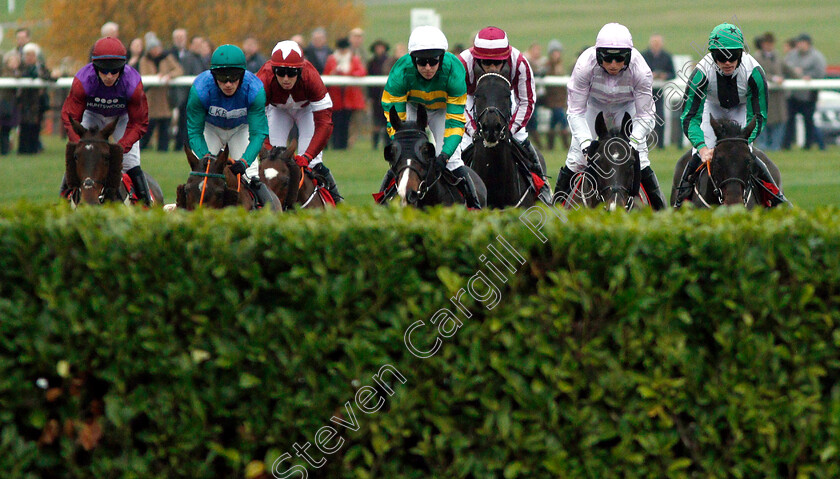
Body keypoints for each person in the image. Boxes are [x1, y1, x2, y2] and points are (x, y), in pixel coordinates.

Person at [553, 23, 666, 210]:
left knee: (641, 159)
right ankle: (553, 211)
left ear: (628, 57)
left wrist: (633, 142)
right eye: (608, 59)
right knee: (575, 159)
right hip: (593, 106)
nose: (613, 65)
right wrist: (585, 145)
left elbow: (646, 114)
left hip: (627, 106)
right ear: (598, 56)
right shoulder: (584, 66)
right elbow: (575, 112)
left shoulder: (641, 71)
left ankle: (661, 215)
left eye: (620, 59)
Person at [675, 23, 787, 207]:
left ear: (742, 53)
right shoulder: (700, 74)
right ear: (712, 55)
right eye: (720, 56)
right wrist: (702, 148)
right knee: (696, 156)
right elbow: (689, 118)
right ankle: (681, 201)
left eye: (733, 56)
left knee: (747, 153)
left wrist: (742, 141)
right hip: (711, 109)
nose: (727, 62)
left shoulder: (755, 73)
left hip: (743, 109)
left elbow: (758, 116)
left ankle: (777, 199)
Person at [378, 25, 480, 209]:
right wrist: (402, 143)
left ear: (441, 58)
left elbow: (456, 121)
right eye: (421, 62)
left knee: (454, 160)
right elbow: (393, 117)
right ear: (412, 60)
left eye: (433, 61)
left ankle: (474, 204)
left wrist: (444, 156)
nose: (427, 68)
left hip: (442, 110)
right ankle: (383, 203)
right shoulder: (400, 72)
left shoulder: (455, 71)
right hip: (412, 106)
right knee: (403, 157)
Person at [453, 26, 552, 204]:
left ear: (506, 58)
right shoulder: (462, 64)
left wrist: (510, 129)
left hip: (505, 99)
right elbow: (455, 103)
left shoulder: (520, 63)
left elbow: (527, 101)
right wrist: (473, 130)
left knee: (522, 140)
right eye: (485, 62)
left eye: (498, 63)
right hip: (470, 99)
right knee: (459, 146)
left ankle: (542, 188)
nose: (492, 67)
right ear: (476, 59)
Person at [60, 37, 152, 204]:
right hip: (92, 114)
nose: (109, 76)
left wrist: (121, 146)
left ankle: (147, 203)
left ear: (122, 68)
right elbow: (70, 118)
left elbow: (139, 123)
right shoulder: (82, 81)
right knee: (80, 156)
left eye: (114, 71)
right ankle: (62, 201)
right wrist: (79, 143)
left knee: (130, 162)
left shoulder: (132, 83)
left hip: (121, 118)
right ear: (95, 67)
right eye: (104, 71)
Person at [186, 44, 274, 207]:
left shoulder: (255, 90)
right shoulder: (200, 90)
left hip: (241, 129)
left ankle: (271, 213)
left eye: (233, 77)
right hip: (210, 129)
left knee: (251, 175)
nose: (228, 84)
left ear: (242, 75)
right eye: (222, 77)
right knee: (201, 173)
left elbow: (258, 133)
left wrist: (245, 162)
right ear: (213, 75)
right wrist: (204, 155)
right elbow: (195, 132)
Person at [256, 40, 341, 202]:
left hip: (306, 110)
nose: (286, 78)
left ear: (301, 71)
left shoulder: (312, 78)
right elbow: (256, 119)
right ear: (272, 70)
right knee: (270, 162)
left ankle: (336, 202)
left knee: (314, 163)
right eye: (280, 72)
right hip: (277, 110)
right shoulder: (263, 79)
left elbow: (325, 123)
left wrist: (308, 156)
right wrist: (266, 148)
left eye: (292, 72)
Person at [139, 33, 183, 152]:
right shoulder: (144, 60)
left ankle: (163, 149)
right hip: (151, 98)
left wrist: (169, 75)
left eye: (157, 47)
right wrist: (156, 77)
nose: (156, 50)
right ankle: (141, 148)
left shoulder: (167, 57)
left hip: (164, 98)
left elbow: (179, 70)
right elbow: (144, 75)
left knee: (164, 127)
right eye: (154, 48)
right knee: (148, 127)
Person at [783, 33, 826, 150]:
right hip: (792, 94)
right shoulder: (791, 55)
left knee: (808, 120)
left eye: (802, 42)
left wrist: (808, 76)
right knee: (789, 120)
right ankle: (787, 144)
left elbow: (820, 73)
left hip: (808, 95)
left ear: (808, 43)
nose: (799, 45)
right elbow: (784, 68)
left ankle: (809, 144)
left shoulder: (816, 56)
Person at [323, 37, 367, 150]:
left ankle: (344, 145)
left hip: (349, 97)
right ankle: (336, 145)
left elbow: (361, 71)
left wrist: (351, 74)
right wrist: (333, 73)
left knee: (346, 122)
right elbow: (326, 74)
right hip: (335, 96)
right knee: (335, 122)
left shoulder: (353, 59)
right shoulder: (332, 59)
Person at [753, 33, 791, 151]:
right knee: (761, 119)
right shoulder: (757, 57)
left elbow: (787, 68)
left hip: (777, 96)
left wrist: (803, 76)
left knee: (780, 120)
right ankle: (763, 146)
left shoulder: (777, 56)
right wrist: (773, 78)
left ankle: (776, 146)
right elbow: (758, 71)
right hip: (762, 95)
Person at [641, 34, 675, 149]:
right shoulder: (644, 56)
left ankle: (660, 145)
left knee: (660, 117)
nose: (656, 45)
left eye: (658, 43)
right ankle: (643, 143)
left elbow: (672, 74)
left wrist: (664, 76)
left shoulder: (666, 56)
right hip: (646, 92)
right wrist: (651, 75)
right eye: (654, 43)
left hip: (660, 91)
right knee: (644, 117)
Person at [367, 39, 395, 149]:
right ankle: (375, 145)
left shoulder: (389, 61)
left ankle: (388, 144)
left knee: (387, 120)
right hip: (375, 96)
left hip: (387, 95)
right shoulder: (371, 62)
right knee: (376, 122)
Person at [543, 39, 570, 151]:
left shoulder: (561, 66)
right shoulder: (548, 66)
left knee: (553, 124)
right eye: (554, 52)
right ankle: (566, 145)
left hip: (560, 99)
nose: (557, 54)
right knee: (563, 122)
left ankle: (550, 146)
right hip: (553, 100)